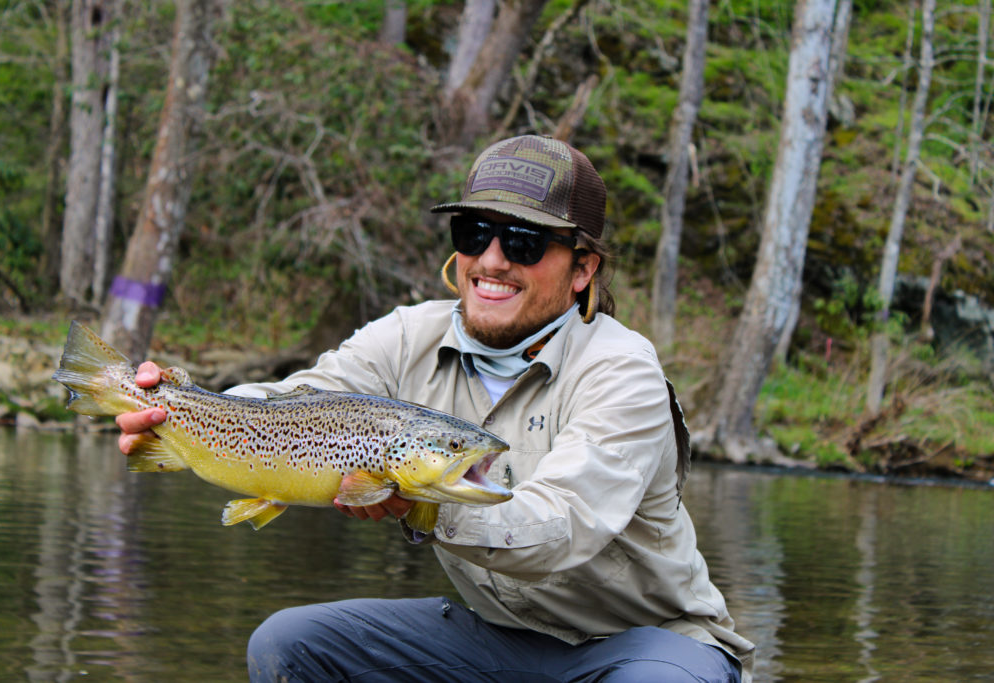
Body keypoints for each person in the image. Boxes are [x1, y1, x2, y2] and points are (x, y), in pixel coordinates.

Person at [116, 135, 755, 682]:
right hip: (501, 639)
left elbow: (560, 531)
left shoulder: (624, 370)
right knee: (289, 645)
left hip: (650, 645)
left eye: (526, 242)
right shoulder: (406, 336)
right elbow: (295, 401)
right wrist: (183, 404)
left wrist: (423, 506)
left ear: (583, 268)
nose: (493, 259)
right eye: (474, 232)